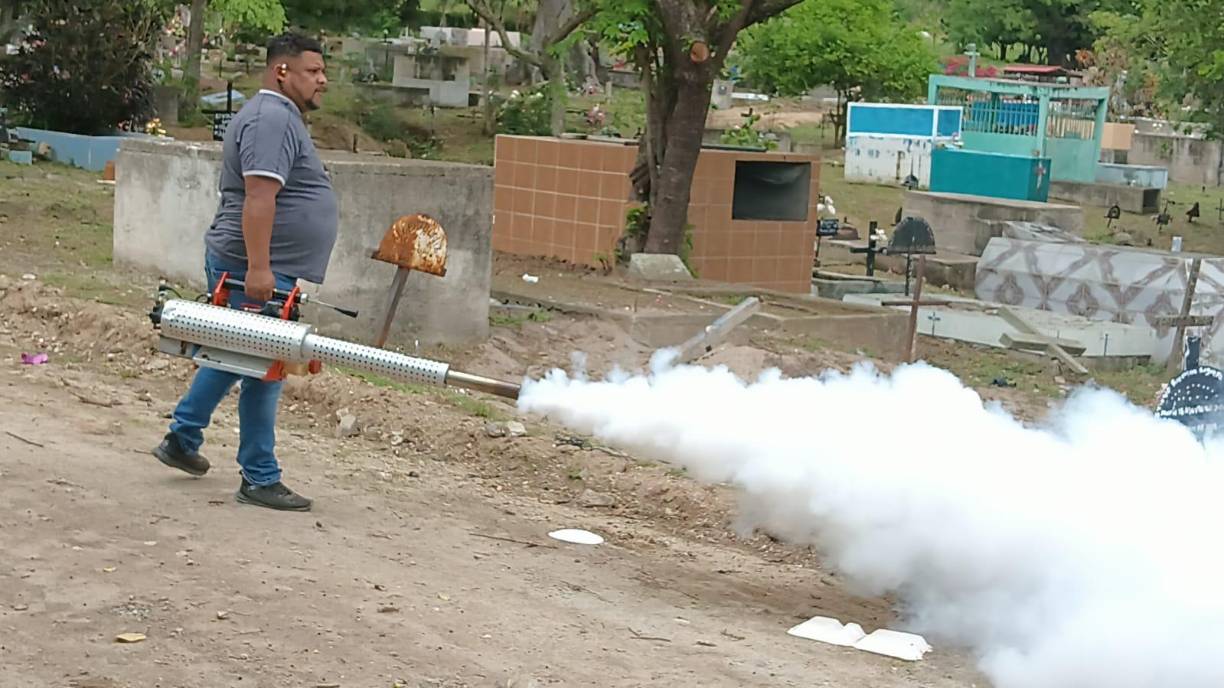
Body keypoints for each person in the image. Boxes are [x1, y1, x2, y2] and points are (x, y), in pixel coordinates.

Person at [152, 32, 337, 512]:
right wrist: (259, 268)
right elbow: (259, 196)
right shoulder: (271, 119)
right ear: (282, 71)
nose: (323, 81)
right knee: (264, 368)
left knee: (236, 354)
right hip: (252, 266)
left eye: (322, 71)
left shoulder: (278, 117)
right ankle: (259, 476)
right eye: (313, 72)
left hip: (262, 263)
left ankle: (182, 438)